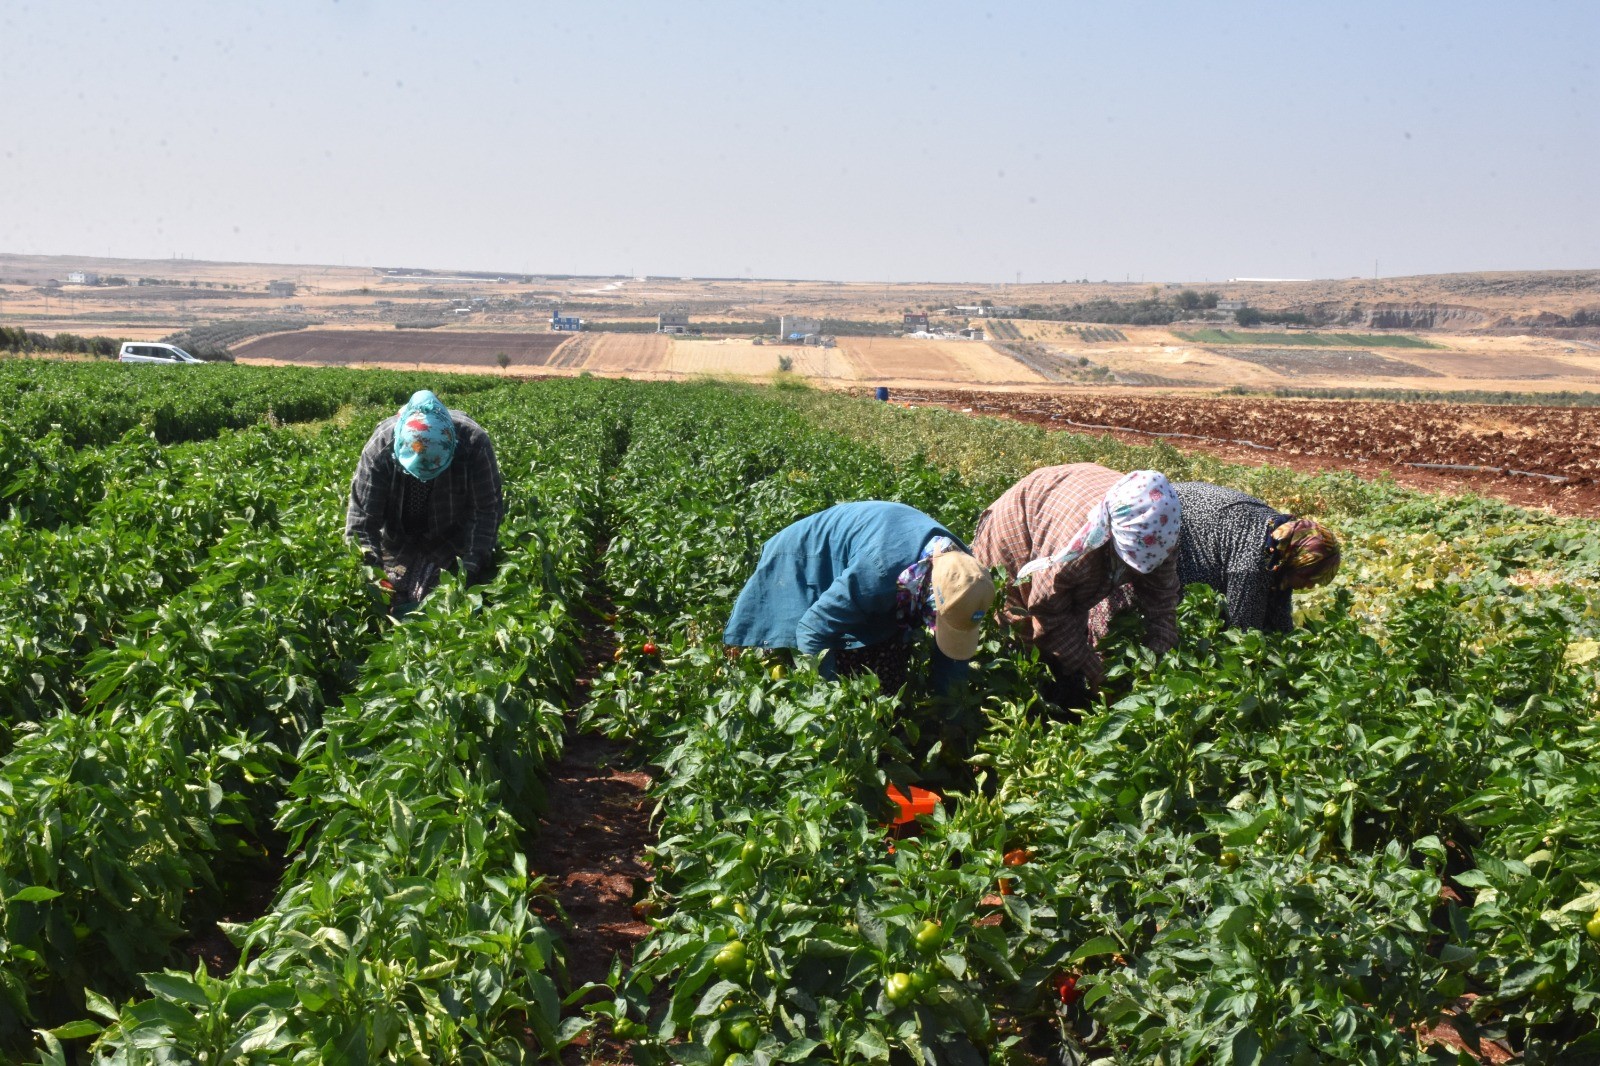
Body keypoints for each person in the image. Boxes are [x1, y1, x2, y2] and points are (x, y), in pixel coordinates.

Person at [972, 465, 1182, 714]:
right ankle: (1034, 706)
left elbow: (1163, 601)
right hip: (1015, 527)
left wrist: (1157, 663)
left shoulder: (1159, 531)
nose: (1136, 573)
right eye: (1130, 563)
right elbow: (1049, 616)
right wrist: (1098, 676)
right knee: (1022, 638)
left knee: (1076, 639)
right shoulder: (1074, 556)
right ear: (1111, 539)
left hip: (1063, 504)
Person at [723, 501, 995, 693]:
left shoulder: (965, 575)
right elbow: (811, 630)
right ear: (928, 597)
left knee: (887, 669)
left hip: (871, 555)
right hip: (804, 560)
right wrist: (831, 698)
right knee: (828, 658)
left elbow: (953, 654)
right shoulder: (879, 570)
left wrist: (950, 712)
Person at [345, 389, 503, 609]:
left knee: (446, 602)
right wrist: (373, 575)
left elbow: (487, 512)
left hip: (449, 540)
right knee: (388, 600)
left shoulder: (473, 444)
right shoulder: (380, 450)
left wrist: (470, 570)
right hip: (397, 540)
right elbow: (362, 522)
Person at [1161, 482, 1341, 632]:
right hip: (1168, 516)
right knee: (1191, 601)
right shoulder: (1252, 563)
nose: (1310, 585)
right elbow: (1242, 631)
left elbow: (1278, 609)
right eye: (1309, 577)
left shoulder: (1281, 544)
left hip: (1193, 511)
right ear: (1294, 561)